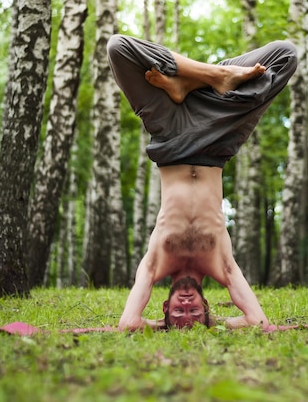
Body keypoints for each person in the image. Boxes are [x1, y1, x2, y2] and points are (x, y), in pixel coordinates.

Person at [107, 34, 297, 331]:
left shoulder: (156, 264)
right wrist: (211, 323)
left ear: (164, 308)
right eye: (193, 313)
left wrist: (158, 326)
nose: (185, 308)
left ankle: (201, 78)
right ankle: (200, 80)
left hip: (170, 132)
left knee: (118, 49)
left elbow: (128, 324)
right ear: (206, 308)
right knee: (286, 55)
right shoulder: (220, 266)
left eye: (177, 314)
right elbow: (258, 322)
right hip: (219, 136)